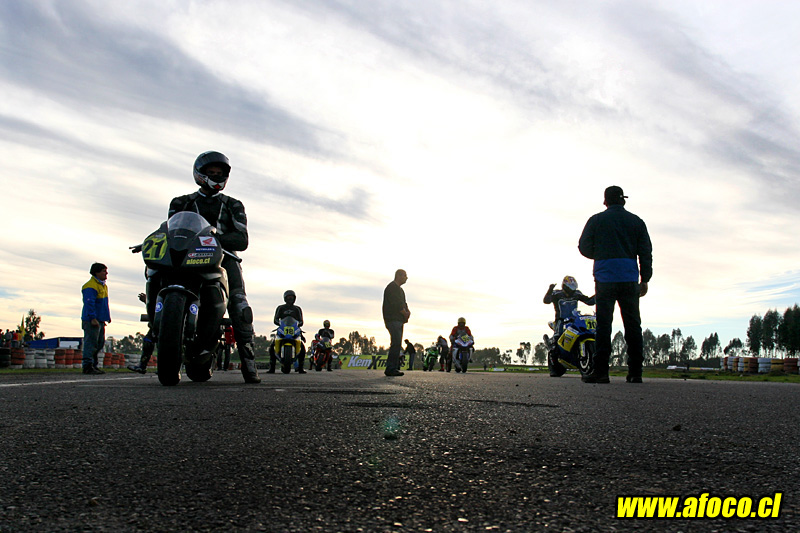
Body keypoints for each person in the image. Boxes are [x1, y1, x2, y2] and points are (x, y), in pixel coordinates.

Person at [167, 151, 260, 384]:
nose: (216, 177)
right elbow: (170, 230)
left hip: (224, 259)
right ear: (200, 174)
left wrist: (214, 239)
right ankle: (156, 329)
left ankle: (249, 366)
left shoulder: (233, 204)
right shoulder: (181, 203)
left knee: (240, 305)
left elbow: (242, 239)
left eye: (220, 173)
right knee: (161, 277)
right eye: (211, 172)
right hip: (187, 258)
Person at [578, 186, 652, 384]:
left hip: (605, 278)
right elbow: (645, 252)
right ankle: (635, 372)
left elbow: (583, 246)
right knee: (633, 325)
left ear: (605, 201)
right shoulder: (637, 222)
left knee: (603, 325)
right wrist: (645, 278)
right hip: (629, 279)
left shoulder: (596, 220)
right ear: (623, 200)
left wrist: (600, 254)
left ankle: (601, 372)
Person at [543, 276, 596, 377]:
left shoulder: (577, 294)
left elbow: (589, 301)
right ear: (564, 287)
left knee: (586, 331)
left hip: (574, 319)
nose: (571, 292)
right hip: (561, 320)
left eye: (573, 289)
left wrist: (599, 294)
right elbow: (546, 300)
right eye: (569, 289)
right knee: (557, 339)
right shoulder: (557, 294)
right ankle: (553, 365)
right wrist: (550, 290)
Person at [81, 263, 110, 375]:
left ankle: (94, 365)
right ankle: (87, 366)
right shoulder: (90, 286)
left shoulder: (103, 286)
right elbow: (89, 303)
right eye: (104, 271)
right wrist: (92, 318)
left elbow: (104, 304)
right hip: (92, 320)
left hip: (100, 320)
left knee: (99, 343)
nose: (106, 273)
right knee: (91, 343)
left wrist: (106, 317)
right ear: (97, 272)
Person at [268, 290, 306, 373]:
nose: (290, 299)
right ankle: (272, 367)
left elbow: (301, 321)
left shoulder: (297, 309)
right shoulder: (280, 308)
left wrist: (298, 324)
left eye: (291, 297)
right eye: (288, 297)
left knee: (302, 347)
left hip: (294, 329)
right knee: (272, 346)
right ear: (285, 298)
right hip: (282, 329)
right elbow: (275, 319)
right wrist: (279, 323)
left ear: (294, 298)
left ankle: (301, 368)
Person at [382, 269, 410, 377]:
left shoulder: (400, 290)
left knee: (397, 343)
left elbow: (403, 303)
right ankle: (391, 368)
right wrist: (404, 313)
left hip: (398, 320)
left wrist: (407, 311)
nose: (406, 278)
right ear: (399, 275)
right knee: (396, 343)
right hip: (393, 319)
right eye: (405, 276)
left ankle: (393, 367)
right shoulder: (392, 287)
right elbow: (396, 304)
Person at [127, 293, 156, 374]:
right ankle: (142, 365)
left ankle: (168, 367)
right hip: (158, 325)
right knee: (148, 341)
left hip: (177, 324)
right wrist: (146, 301)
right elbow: (155, 307)